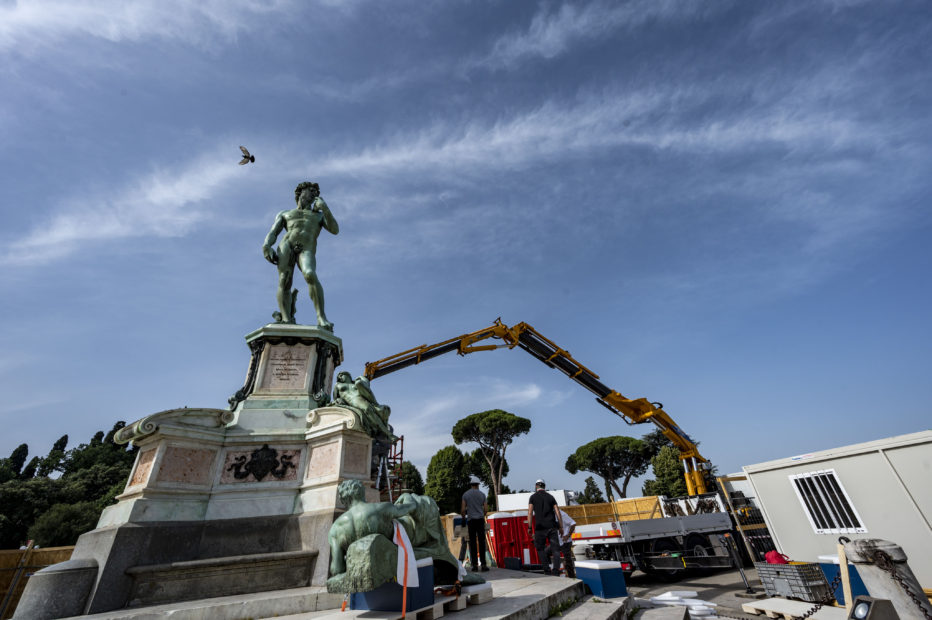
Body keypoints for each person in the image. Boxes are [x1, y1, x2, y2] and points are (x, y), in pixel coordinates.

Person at [262, 181, 339, 329]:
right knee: (284, 280)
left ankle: (321, 318)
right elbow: (273, 232)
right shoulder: (285, 213)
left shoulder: (319, 216)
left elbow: (335, 230)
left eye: (315, 193)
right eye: (311, 191)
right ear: (301, 192)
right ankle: (285, 319)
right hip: (287, 245)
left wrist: (325, 208)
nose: (314, 194)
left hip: (306, 248)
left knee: (310, 274)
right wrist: (266, 245)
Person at [527, 478, 564, 576]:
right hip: (552, 526)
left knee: (540, 549)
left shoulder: (533, 497)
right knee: (555, 550)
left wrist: (529, 527)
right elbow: (557, 512)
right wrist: (561, 526)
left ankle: (547, 570)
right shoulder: (551, 497)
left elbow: (530, 512)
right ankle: (556, 571)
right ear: (544, 486)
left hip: (540, 527)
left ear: (536, 486)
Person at [461, 475, 489, 572]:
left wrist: (464, 518)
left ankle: (474, 565)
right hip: (480, 521)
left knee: (472, 543)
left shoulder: (465, 495)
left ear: (471, 484)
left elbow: (463, 510)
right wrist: (482, 514)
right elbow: (486, 509)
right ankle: (484, 564)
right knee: (482, 542)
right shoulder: (482, 495)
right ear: (478, 484)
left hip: (471, 521)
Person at [555, 507, 576, 578]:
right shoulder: (553, 515)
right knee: (547, 552)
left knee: (568, 561)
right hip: (559, 541)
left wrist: (567, 535)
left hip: (566, 542)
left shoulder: (562, 514)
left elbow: (573, 523)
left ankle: (572, 577)